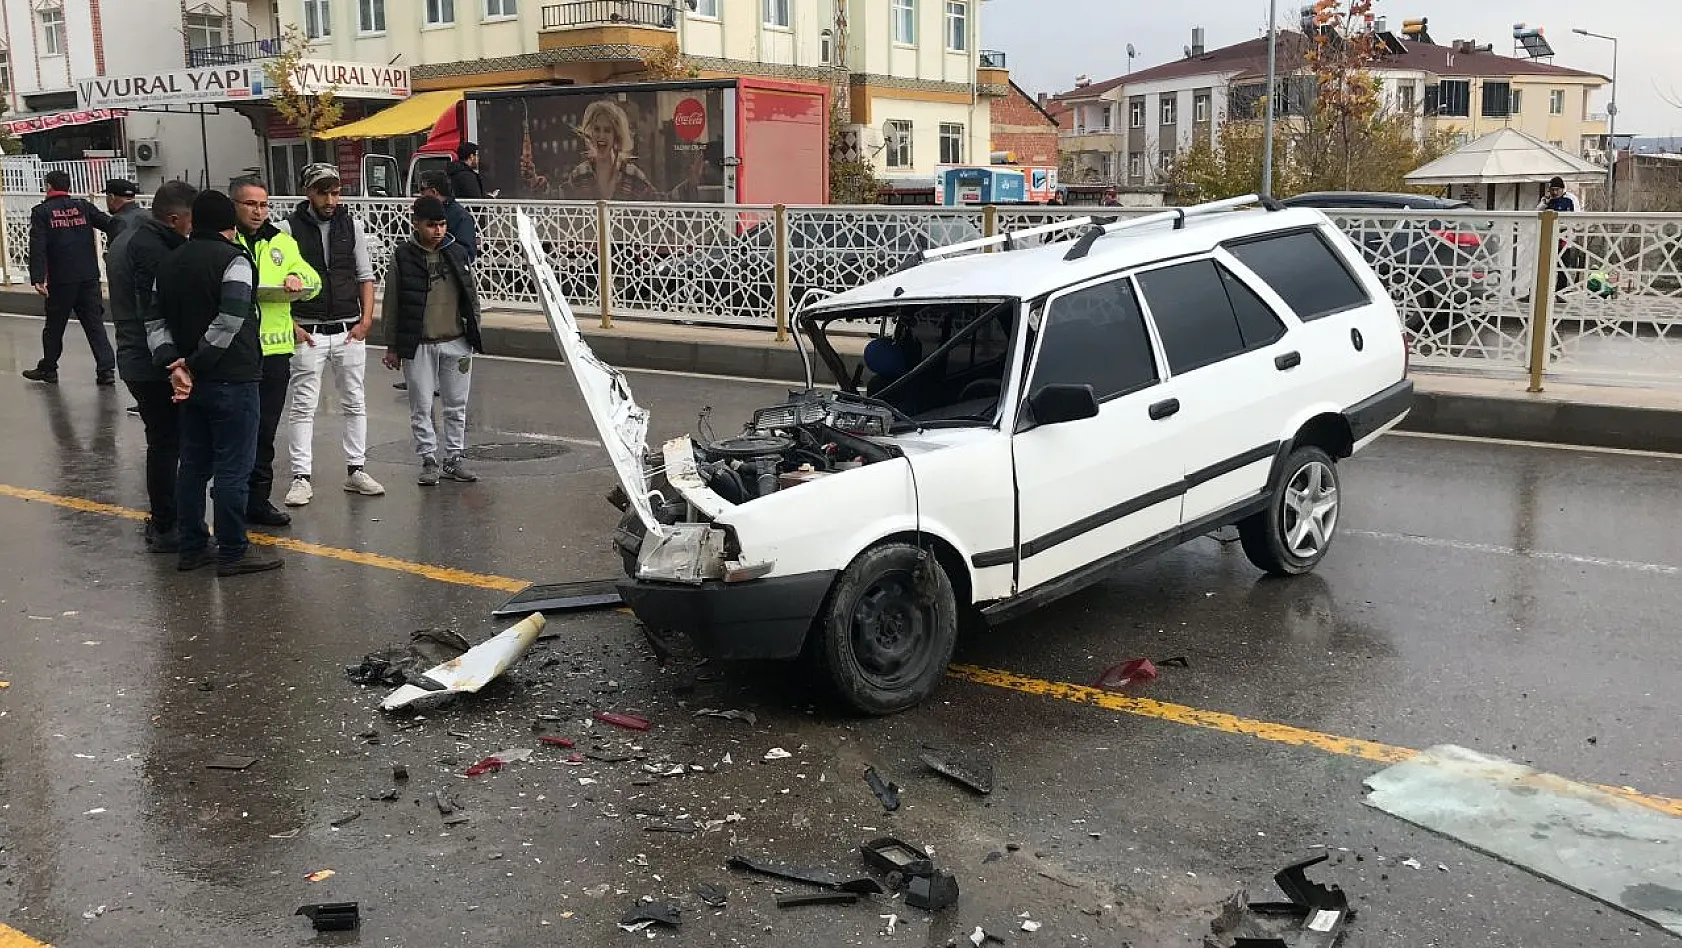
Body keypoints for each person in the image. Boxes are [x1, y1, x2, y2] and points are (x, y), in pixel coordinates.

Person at [148, 190, 283, 576]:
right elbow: (230, 320)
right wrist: (194, 363)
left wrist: (173, 365)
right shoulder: (235, 261)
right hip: (232, 378)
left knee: (192, 465)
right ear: (230, 224)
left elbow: (153, 323)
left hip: (188, 385)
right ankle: (233, 550)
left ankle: (192, 547)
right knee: (232, 469)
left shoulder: (169, 262)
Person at [277, 163, 385, 505]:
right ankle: (301, 477)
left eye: (335, 191)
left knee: (355, 401)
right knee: (303, 406)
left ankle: (356, 470)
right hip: (308, 331)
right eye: (323, 191)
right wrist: (291, 325)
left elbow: (365, 276)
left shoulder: (350, 225)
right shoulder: (287, 229)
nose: (330, 198)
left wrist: (367, 320)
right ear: (309, 192)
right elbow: (276, 281)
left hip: (348, 329)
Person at [108, 180, 197, 551]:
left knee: (165, 440)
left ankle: (167, 519)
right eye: (192, 221)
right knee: (166, 441)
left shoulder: (131, 238)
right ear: (175, 218)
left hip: (136, 354)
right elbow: (157, 310)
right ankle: (165, 525)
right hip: (150, 358)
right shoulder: (150, 249)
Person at [233, 177, 321, 527]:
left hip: (274, 351)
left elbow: (313, 282)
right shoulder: (226, 239)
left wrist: (298, 281)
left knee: (265, 431)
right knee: (237, 430)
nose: (258, 211)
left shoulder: (281, 242)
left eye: (263, 205)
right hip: (235, 349)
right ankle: (231, 498)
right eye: (251, 204)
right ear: (235, 206)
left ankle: (258, 500)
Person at [381, 196, 484, 486]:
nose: (438, 230)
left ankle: (454, 458)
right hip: (419, 342)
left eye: (441, 224)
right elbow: (393, 302)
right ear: (416, 224)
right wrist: (392, 346)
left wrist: (474, 331)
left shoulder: (457, 252)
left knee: (456, 404)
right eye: (431, 225)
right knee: (422, 404)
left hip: (457, 340)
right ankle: (428, 458)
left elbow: (471, 295)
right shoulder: (403, 255)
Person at [23, 170, 120, 385]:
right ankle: (106, 370)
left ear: (48, 187)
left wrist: (37, 278)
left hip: (61, 280)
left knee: (55, 326)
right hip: (88, 277)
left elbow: (38, 246)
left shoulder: (41, 212)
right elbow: (110, 224)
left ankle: (49, 368)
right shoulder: (83, 207)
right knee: (94, 324)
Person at [1538, 176, 1585, 295]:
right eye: (1552, 189)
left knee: (1562, 266)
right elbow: (1537, 213)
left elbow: (1577, 219)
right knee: (1544, 265)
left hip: (1565, 237)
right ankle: (1541, 291)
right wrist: (1545, 203)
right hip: (1548, 237)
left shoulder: (1570, 199)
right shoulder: (1548, 200)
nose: (1554, 192)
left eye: (1557, 189)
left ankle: (1560, 292)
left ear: (1562, 189)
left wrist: (1565, 226)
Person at [419, 171, 479, 263]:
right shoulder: (425, 213)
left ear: (434, 192)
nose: (420, 195)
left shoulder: (460, 216)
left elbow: (467, 255)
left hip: (448, 272)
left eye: (422, 190)